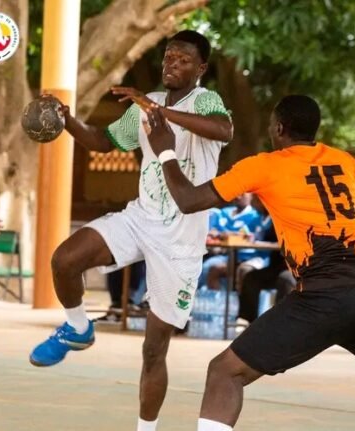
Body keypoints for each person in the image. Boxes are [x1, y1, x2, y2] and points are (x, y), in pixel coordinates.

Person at [142, 95, 355, 431]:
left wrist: (165, 151)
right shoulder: (344, 161)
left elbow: (188, 200)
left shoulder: (264, 165)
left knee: (225, 371)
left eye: (271, 127)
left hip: (324, 297)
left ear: (279, 128)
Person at [28, 30, 232, 431]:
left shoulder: (205, 101)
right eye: (169, 57)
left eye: (183, 60)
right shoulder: (146, 104)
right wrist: (68, 120)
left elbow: (222, 130)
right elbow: (102, 142)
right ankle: (78, 328)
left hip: (180, 241)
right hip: (140, 218)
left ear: (201, 68)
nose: (172, 64)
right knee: (65, 259)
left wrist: (157, 111)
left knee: (153, 351)